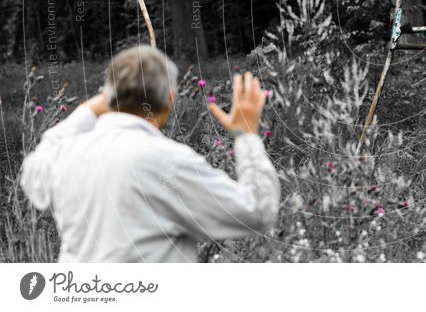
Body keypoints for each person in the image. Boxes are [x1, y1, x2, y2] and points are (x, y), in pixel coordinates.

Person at [20, 45, 280, 262]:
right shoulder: (168, 161)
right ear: (169, 99)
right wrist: (246, 135)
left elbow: (33, 170)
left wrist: (91, 108)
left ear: (108, 97)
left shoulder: (66, 153)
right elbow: (256, 212)